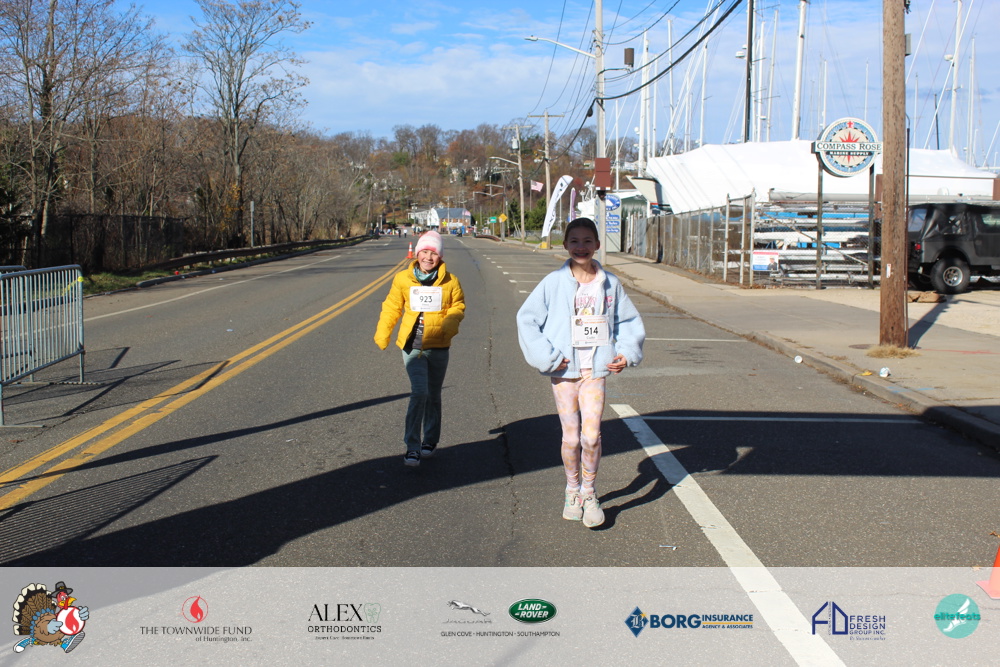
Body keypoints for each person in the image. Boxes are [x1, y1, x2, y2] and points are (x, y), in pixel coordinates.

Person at [516, 218, 645, 528]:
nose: (581, 247)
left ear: (597, 245)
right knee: (572, 438)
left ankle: (589, 492)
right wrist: (547, 358)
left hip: (595, 371)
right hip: (564, 372)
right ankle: (572, 490)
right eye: (574, 241)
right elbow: (527, 319)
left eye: (588, 241)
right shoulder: (552, 283)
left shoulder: (610, 283)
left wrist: (625, 353)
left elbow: (627, 321)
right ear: (565, 245)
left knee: (591, 436)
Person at [375, 230, 465, 467]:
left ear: (440, 256)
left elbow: (458, 306)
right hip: (412, 347)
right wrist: (383, 332)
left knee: (433, 395)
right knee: (419, 393)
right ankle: (412, 446)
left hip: (438, 346)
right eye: (424, 252)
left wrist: (450, 323)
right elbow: (392, 307)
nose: (428, 257)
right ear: (417, 254)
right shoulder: (402, 279)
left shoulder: (450, 281)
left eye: (433, 253)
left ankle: (430, 441)